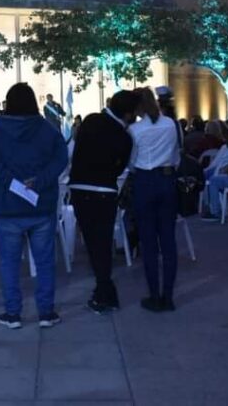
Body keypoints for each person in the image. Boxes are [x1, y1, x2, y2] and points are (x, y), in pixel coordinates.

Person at [0, 83, 67, 329]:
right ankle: (46, 312)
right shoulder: (47, 129)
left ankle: (13, 313)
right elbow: (61, 158)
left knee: (9, 263)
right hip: (41, 206)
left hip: (8, 207)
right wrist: (40, 181)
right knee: (44, 261)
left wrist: (11, 182)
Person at [68, 89, 136, 314]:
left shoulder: (90, 121)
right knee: (103, 242)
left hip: (81, 188)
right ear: (127, 114)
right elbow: (120, 167)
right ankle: (105, 289)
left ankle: (104, 290)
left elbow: (75, 151)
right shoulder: (125, 137)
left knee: (92, 241)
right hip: (105, 190)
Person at [128, 87, 182, 312]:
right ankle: (168, 296)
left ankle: (153, 294)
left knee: (149, 242)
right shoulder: (171, 124)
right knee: (168, 240)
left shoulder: (134, 130)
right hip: (167, 179)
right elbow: (177, 152)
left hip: (145, 181)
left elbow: (132, 161)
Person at [200, 126, 228, 221]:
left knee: (208, 179)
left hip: (227, 176)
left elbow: (216, 163)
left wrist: (204, 170)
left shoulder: (225, 148)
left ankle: (213, 210)